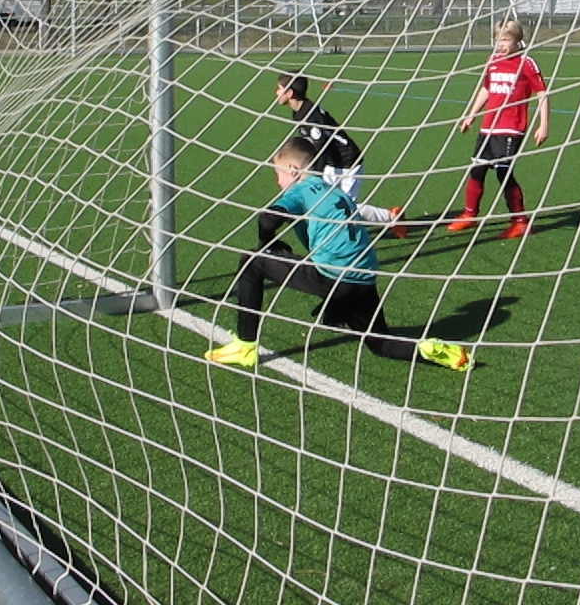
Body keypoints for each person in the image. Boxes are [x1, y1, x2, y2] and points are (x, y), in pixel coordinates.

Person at [203, 135, 470, 372]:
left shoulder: (302, 189)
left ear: (293, 170)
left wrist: (268, 243)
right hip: (364, 277)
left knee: (251, 261)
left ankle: (245, 346)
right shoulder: (332, 189)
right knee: (380, 343)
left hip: (334, 278)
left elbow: (267, 219)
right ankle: (429, 349)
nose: (278, 181)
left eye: (278, 174)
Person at [274, 73, 406, 237]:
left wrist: (315, 175)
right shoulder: (300, 112)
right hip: (332, 164)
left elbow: (321, 147)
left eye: (279, 88)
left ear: (290, 93)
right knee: (329, 205)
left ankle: (392, 217)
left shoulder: (310, 116)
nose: (276, 92)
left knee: (345, 208)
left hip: (347, 163)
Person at [450, 19, 550, 238]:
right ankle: (470, 214)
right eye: (499, 40)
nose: (502, 45)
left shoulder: (526, 63)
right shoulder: (493, 61)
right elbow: (487, 88)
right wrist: (471, 115)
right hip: (489, 126)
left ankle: (520, 221)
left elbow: (542, 93)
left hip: (511, 127)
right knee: (477, 169)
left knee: (503, 173)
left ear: (517, 40)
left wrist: (543, 125)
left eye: (506, 40)